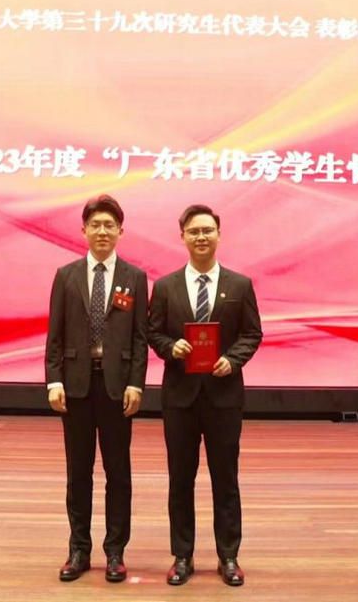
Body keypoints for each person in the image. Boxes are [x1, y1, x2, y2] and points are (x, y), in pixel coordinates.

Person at [148, 204, 263, 587]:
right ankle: (182, 555)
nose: (201, 237)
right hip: (180, 398)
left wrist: (233, 359)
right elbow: (153, 332)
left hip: (224, 397)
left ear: (218, 235)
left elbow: (252, 333)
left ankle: (228, 556)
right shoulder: (165, 287)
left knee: (225, 478)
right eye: (194, 231)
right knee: (180, 479)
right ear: (182, 237)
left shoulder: (240, 285)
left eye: (207, 230)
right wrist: (171, 348)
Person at [45, 194, 148, 583]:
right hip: (75, 387)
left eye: (109, 225)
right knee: (78, 472)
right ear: (84, 230)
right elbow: (55, 334)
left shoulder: (134, 278)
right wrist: (53, 379)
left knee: (118, 472)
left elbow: (139, 338)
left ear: (120, 231)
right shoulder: (66, 276)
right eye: (95, 225)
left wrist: (136, 383)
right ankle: (79, 549)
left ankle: (115, 551)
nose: (102, 231)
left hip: (117, 387)